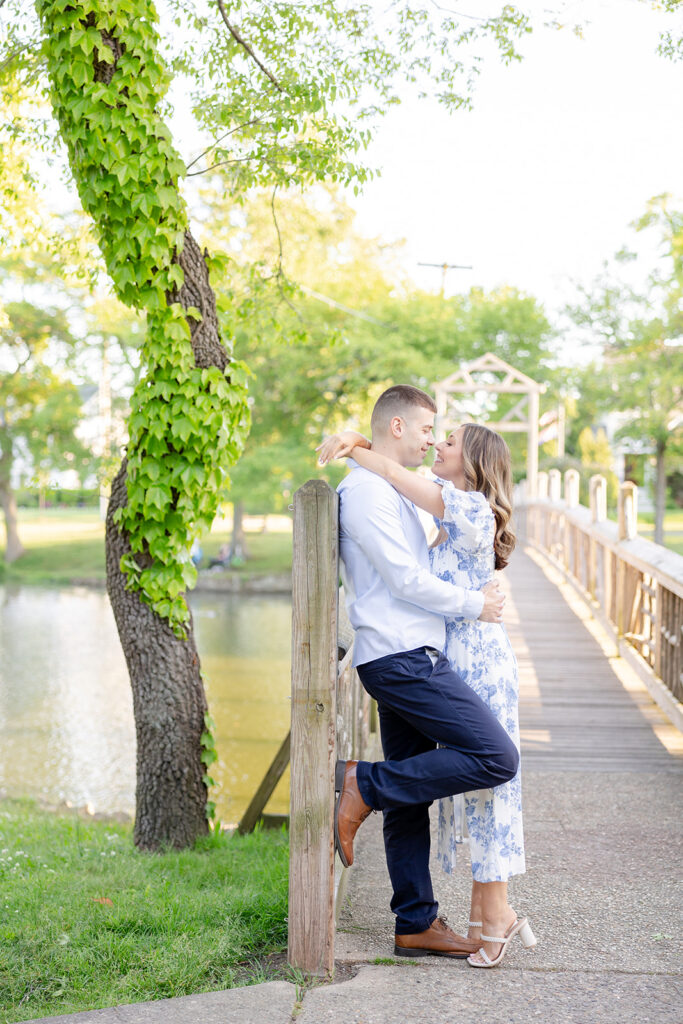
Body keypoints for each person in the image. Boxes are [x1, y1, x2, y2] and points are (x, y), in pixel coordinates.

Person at [317, 384, 526, 963]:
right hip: (401, 657)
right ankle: (363, 784)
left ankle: (415, 922)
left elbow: (444, 546)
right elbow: (407, 582)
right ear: (399, 428)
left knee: (412, 795)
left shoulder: (400, 492)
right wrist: (475, 604)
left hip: (414, 653)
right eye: (431, 430)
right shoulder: (366, 494)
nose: (436, 440)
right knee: (496, 757)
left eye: (446, 436)